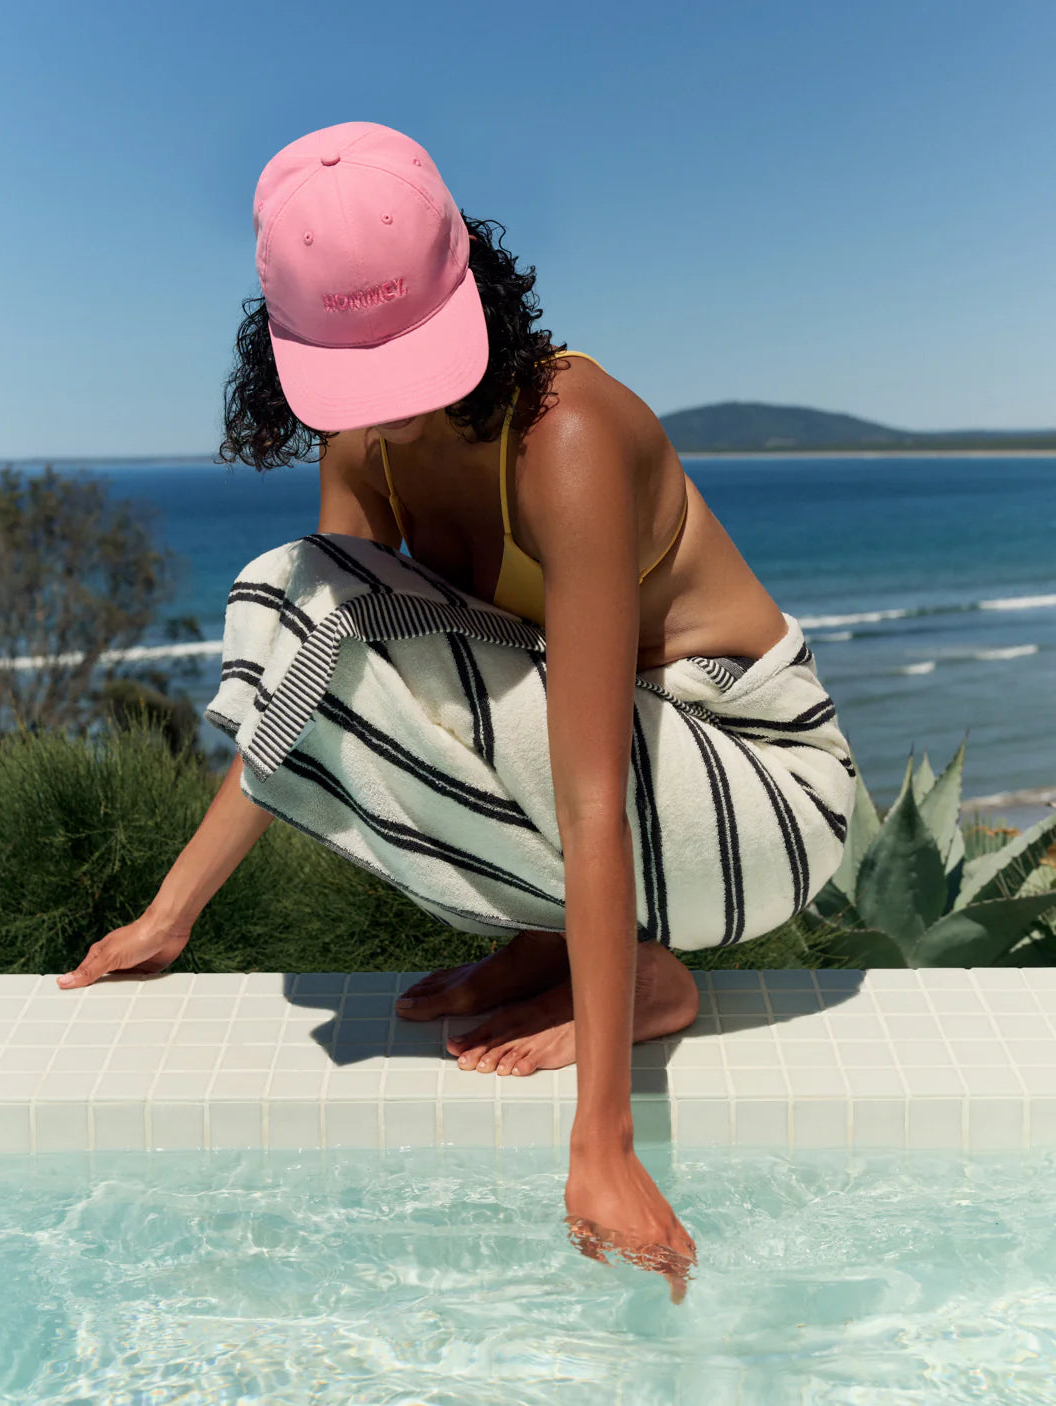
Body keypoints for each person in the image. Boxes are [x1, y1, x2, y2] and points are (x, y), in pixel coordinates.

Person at [58, 120, 858, 1301]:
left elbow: (592, 794)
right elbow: (309, 679)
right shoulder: (364, 453)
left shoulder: (565, 436)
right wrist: (169, 914)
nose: (390, 406)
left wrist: (604, 1142)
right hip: (654, 790)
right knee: (307, 599)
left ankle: (643, 978)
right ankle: (561, 944)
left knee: (309, 595)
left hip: (766, 798)